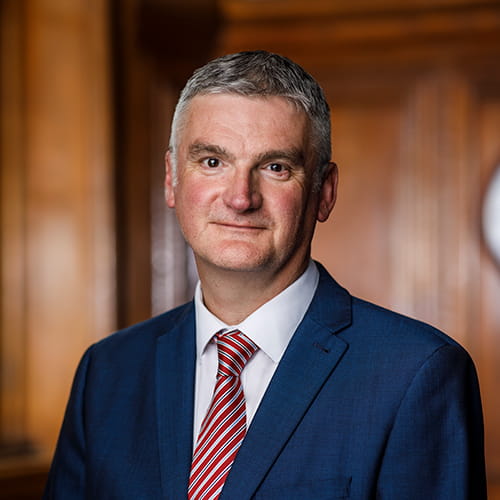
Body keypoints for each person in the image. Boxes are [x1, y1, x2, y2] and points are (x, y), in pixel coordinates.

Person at [44, 50, 486, 499]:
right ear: (172, 180)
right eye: (213, 162)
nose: (240, 198)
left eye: (276, 167)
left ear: (324, 193)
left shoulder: (416, 373)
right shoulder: (107, 372)